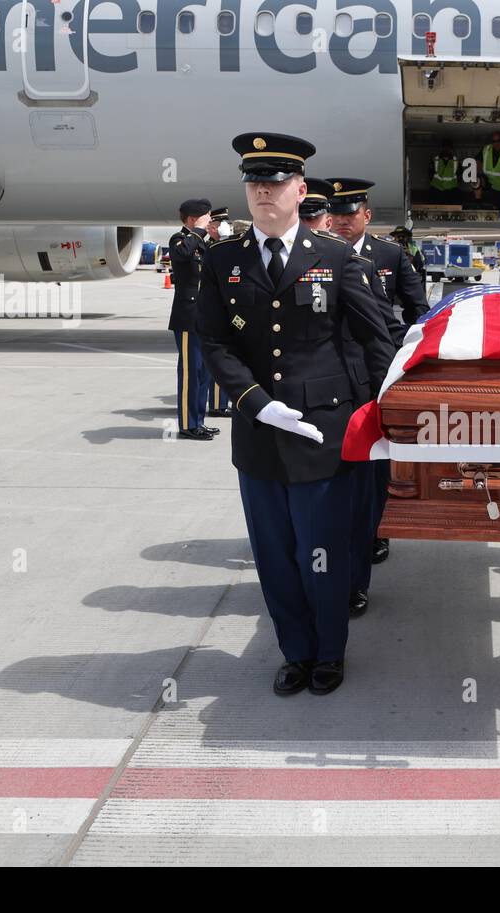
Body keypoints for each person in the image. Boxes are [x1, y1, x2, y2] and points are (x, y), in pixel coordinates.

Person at [195, 133, 396, 696]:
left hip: (322, 435)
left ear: (300, 189)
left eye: (277, 180)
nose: (264, 190)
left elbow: (373, 341)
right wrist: (257, 403)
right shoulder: (223, 260)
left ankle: (329, 650)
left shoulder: (334, 258)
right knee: (276, 557)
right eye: (255, 181)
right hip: (259, 435)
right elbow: (215, 342)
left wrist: (376, 413)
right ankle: (296, 651)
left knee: (322, 554)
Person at [327, 177, 424, 574]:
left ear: (366, 215)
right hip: (331, 367)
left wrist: (412, 357)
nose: (343, 221)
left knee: (375, 456)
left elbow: (418, 309)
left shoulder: (389, 254)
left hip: (374, 366)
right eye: (337, 214)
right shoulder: (318, 252)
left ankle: (376, 527)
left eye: (351, 214)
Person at [167, 198, 218, 440]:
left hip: (205, 317)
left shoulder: (201, 243)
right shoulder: (179, 239)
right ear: (192, 219)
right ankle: (187, 424)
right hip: (188, 318)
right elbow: (182, 253)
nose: (209, 221)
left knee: (204, 372)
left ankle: (198, 420)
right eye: (205, 217)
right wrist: (198, 230)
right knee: (190, 371)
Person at [203, 208, 234, 418]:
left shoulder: (226, 245)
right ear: (211, 228)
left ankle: (220, 402)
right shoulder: (207, 247)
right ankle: (217, 403)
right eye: (220, 225)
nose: (225, 228)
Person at [476, 131, 500, 208]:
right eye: (494, 141)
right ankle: (478, 203)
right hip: (488, 181)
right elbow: (478, 160)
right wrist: (479, 175)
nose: (496, 143)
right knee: (476, 179)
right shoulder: (486, 149)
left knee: (498, 205)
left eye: (498, 141)